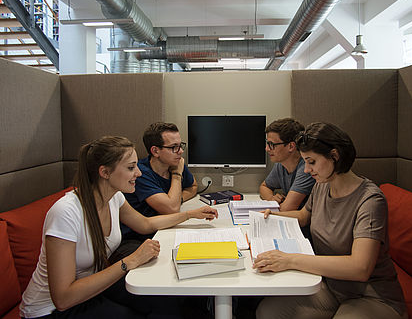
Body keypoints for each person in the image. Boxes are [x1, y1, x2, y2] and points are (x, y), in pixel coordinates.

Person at [19, 136, 217, 319]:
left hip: (92, 289)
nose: (138, 173)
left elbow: (145, 224)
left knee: (164, 301)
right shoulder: (66, 212)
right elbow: (63, 299)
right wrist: (130, 261)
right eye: (131, 168)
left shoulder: (114, 197)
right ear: (104, 172)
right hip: (49, 311)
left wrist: (190, 215)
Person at [253, 122, 407, 319]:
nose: (307, 170)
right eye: (304, 162)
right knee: (268, 312)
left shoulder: (370, 200)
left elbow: (360, 268)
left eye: (312, 162)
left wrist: (289, 260)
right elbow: (303, 216)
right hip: (334, 287)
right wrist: (266, 217)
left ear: (335, 156)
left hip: (370, 295)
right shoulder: (323, 184)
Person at [122, 122, 197, 241]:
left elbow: (193, 186)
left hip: (165, 228)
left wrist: (178, 199)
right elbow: (171, 209)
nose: (180, 151)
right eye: (174, 147)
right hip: (140, 238)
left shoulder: (174, 162)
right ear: (155, 151)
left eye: (180, 145)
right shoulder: (140, 173)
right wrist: (177, 175)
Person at [259, 118, 315, 211]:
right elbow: (264, 187)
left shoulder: (307, 168)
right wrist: (271, 199)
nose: (267, 149)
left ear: (291, 146)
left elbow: (286, 209)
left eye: (271, 144)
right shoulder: (281, 164)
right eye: (267, 143)